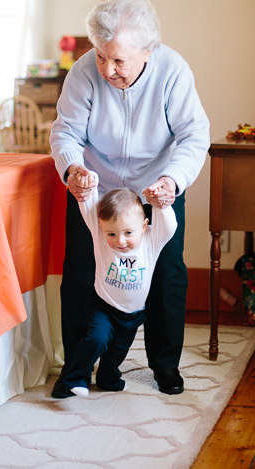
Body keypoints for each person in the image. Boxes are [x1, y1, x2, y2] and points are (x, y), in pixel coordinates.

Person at [50, 0, 210, 397]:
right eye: (102, 56)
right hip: (96, 188)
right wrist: (73, 169)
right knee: (83, 273)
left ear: (148, 49)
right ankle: (77, 368)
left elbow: (194, 135)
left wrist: (173, 180)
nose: (108, 69)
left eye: (119, 60)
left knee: (167, 274)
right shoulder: (84, 71)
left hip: (156, 189)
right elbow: (66, 131)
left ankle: (165, 366)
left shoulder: (173, 70)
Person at [60, 167, 177, 397]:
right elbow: (88, 206)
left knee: (117, 351)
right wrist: (89, 182)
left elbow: (169, 226)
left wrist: (161, 205)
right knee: (97, 339)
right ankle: (74, 378)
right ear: (101, 228)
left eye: (128, 233)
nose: (120, 241)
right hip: (102, 306)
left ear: (144, 227)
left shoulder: (151, 242)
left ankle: (108, 377)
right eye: (111, 234)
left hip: (132, 314)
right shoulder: (99, 236)